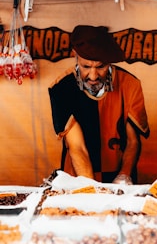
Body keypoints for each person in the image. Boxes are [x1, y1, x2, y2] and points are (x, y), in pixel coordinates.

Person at [48, 25, 149, 185]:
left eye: (101, 67)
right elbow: (77, 147)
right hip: (78, 175)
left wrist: (124, 175)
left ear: (109, 62)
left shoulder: (130, 84)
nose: (93, 76)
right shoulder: (61, 88)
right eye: (86, 67)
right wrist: (91, 190)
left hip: (119, 173)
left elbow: (133, 141)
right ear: (75, 56)